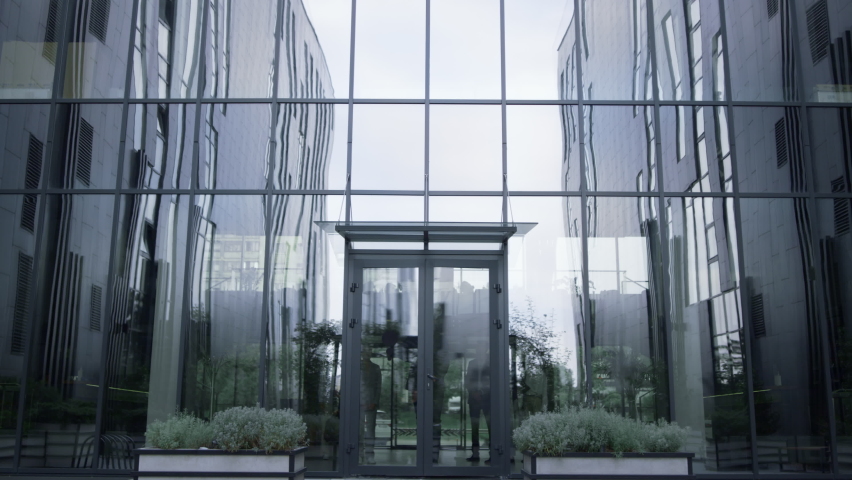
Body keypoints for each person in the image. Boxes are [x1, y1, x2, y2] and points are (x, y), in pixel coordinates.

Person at [465, 351, 491, 462]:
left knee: (492, 427)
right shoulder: (471, 363)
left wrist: (483, 393)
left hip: (488, 399)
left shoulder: (491, 363)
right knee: (474, 428)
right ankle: (475, 454)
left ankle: (493, 454)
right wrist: (474, 392)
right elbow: (467, 381)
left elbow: (494, 381)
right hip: (474, 400)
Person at [360, 348, 382, 464]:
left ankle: (369, 455)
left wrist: (374, 401)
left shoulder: (376, 368)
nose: (366, 353)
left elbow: (378, 387)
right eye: (364, 351)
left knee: (370, 431)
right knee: (357, 430)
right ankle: (358, 454)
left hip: (371, 403)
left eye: (368, 351)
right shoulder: (355, 366)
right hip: (358, 403)